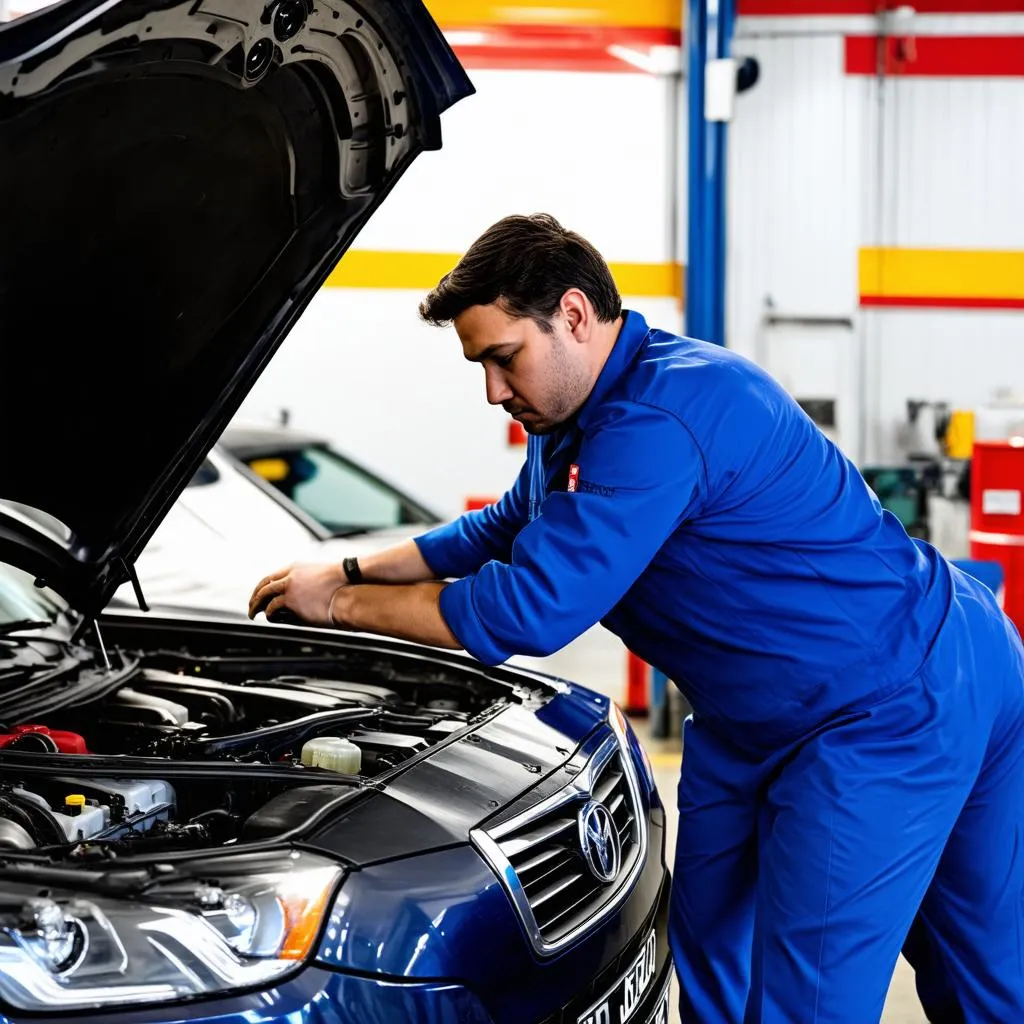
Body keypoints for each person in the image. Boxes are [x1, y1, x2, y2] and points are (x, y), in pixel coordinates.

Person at [249, 213, 1024, 1023]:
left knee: (894, 982)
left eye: (503, 358)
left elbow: (529, 607)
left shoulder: (658, 417)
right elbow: (502, 528)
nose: (494, 392)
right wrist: (344, 568)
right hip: (758, 714)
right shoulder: (572, 419)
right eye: (479, 366)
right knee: (708, 955)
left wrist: (339, 608)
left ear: (575, 316)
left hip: (892, 701)